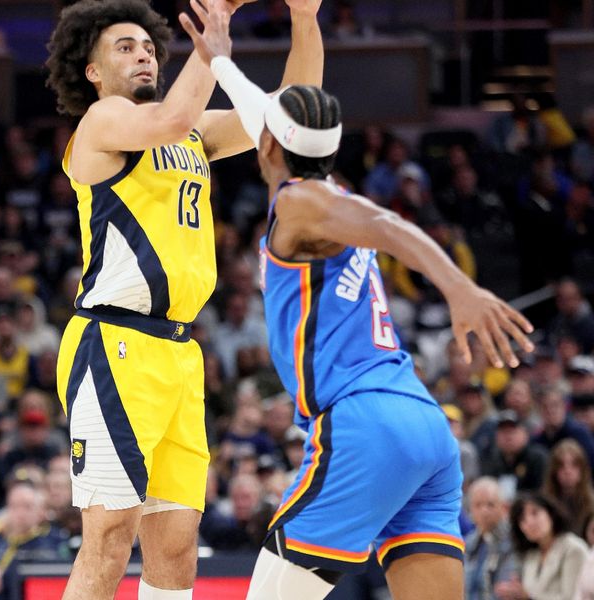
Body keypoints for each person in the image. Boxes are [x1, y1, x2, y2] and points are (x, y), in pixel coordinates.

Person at [185, 20, 535, 599]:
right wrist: (286, 28)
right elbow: (262, 111)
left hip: (362, 423)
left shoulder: (299, 203)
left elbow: (387, 225)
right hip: (424, 425)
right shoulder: (323, 193)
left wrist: (459, 288)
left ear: (268, 144)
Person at [45, 0, 325, 597]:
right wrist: (215, 30)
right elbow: (169, 122)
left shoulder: (191, 130)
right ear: (91, 71)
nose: (143, 53)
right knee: (109, 537)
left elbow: (290, 121)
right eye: (124, 47)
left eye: (147, 47)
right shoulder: (102, 123)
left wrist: (304, 19)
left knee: (175, 549)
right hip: (113, 344)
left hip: (178, 352)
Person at [496, 492, 588, 600]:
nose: (529, 522)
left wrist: (528, 597)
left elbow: (571, 597)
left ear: (550, 513)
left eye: (535, 513)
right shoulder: (531, 554)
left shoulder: (573, 548)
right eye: (522, 519)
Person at [465, 477, 519, 600]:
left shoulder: (513, 540)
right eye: (478, 505)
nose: (484, 511)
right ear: (470, 510)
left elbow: (503, 590)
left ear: (504, 507)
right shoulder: (467, 543)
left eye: (490, 504)